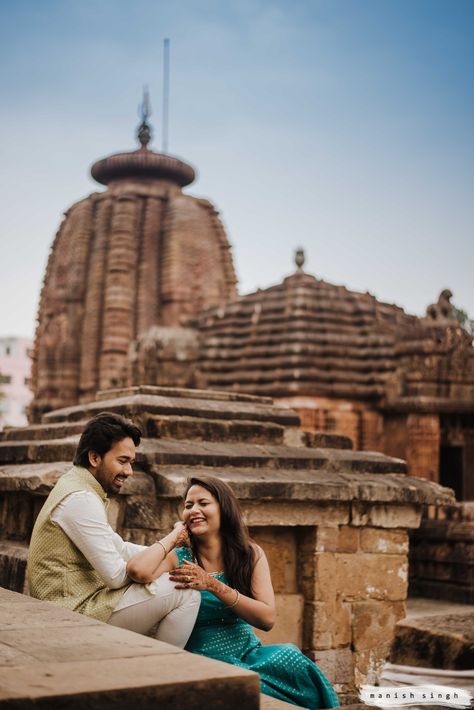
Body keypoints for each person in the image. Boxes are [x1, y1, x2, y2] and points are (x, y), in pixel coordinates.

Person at [126, 475, 339, 709]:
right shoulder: (180, 558)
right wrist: (174, 536)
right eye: (188, 506)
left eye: (203, 503)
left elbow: (267, 619)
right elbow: (138, 570)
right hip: (204, 657)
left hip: (248, 652)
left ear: (224, 509)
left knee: (293, 660)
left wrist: (212, 585)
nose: (193, 510)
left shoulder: (250, 554)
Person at [28, 412, 200, 647]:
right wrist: (173, 538)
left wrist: (170, 555)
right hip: (70, 613)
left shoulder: (79, 487)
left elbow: (120, 548)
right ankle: (162, 671)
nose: (129, 471)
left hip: (76, 602)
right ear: (95, 458)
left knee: (168, 581)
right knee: (185, 593)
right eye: (122, 461)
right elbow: (117, 577)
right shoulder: (80, 498)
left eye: (131, 462)